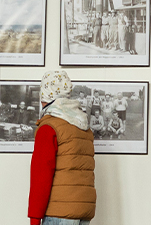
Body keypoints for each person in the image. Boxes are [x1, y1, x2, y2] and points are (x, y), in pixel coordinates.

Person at [29, 70, 96, 225]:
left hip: (58, 213)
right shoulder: (83, 125)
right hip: (84, 211)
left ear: (46, 95)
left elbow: (41, 176)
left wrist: (34, 218)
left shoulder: (49, 127)